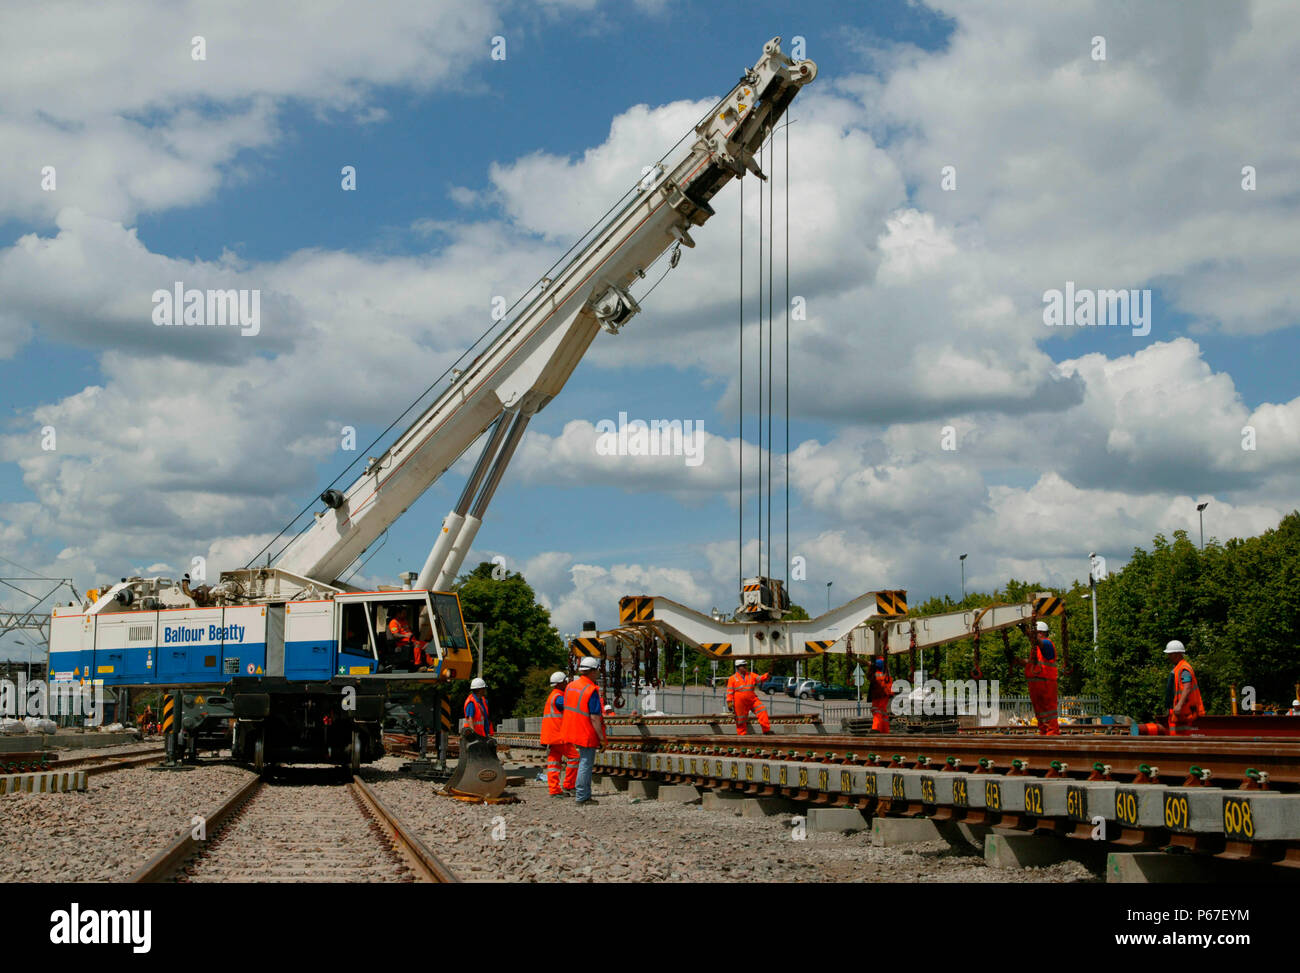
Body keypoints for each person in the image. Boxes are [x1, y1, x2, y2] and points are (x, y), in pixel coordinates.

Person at [561, 656, 606, 806]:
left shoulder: (571, 686)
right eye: (597, 669)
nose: (599, 672)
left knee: (582, 763)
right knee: (585, 764)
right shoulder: (591, 689)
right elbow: (594, 717)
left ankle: (584, 794)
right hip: (585, 731)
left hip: (571, 729)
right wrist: (601, 738)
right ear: (592, 671)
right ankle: (582, 797)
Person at [541, 671, 577, 797]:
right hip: (559, 736)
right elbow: (571, 709)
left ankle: (554, 790)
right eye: (565, 681)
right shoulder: (559, 697)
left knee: (553, 763)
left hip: (551, 736)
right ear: (560, 683)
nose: (567, 683)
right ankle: (569, 785)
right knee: (574, 757)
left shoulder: (553, 696)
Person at [1025, 621, 1060, 736]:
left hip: (1046, 684)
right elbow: (1033, 664)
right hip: (1037, 685)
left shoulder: (1047, 644)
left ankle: (1052, 735)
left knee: (1048, 712)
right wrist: (1018, 661)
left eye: (1035, 634)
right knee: (1040, 714)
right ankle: (1044, 734)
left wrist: (1026, 631)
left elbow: (1040, 644)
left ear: (1040, 633)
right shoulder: (1036, 649)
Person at [1164, 640, 1204, 735]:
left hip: (1186, 712)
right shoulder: (1178, 668)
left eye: (1170, 654)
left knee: (1184, 737)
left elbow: (1187, 688)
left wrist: (1179, 705)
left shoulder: (1184, 669)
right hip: (1182, 712)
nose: (1168, 656)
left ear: (1177, 654)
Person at [725, 659, 773, 736]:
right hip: (740, 702)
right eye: (743, 666)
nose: (745, 667)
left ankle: (766, 730)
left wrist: (767, 675)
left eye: (745, 665)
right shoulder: (732, 678)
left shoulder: (751, 675)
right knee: (740, 719)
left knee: (762, 710)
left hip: (752, 700)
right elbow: (730, 692)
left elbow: (760, 678)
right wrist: (729, 702)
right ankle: (742, 735)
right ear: (738, 667)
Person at [388, 606, 430, 671]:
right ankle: (417, 665)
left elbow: (410, 630)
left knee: (428, 645)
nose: (405, 615)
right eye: (403, 613)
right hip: (402, 642)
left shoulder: (404, 621)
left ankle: (429, 664)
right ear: (398, 613)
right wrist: (405, 636)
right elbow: (395, 635)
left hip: (411, 640)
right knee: (417, 644)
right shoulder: (393, 622)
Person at [868, 657, 894, 733]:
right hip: (885, 695)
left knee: (877, 711)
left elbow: (869, 676)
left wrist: (870, 666)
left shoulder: (876, 674)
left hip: (878, 695)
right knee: (883, 712)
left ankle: (876, 728)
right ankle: (885, 730)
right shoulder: (887, 674)